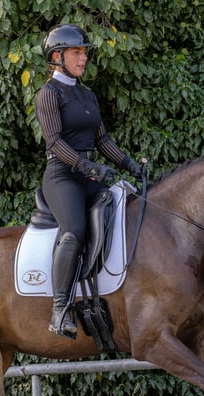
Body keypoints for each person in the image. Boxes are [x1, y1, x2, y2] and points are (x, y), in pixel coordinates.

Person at [36, 23, 145, 338]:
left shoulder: (86, 94)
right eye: (76, 52)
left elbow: (102, 139)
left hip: (88, 173)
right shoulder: (49, 93)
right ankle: (59, 310)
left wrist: (128, 165)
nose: (83, 58)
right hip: (62, 175)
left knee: (123, 206)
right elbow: (55, 142)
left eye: (84, 53)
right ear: (57, 56)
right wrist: (87, 167)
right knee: (74, 231)